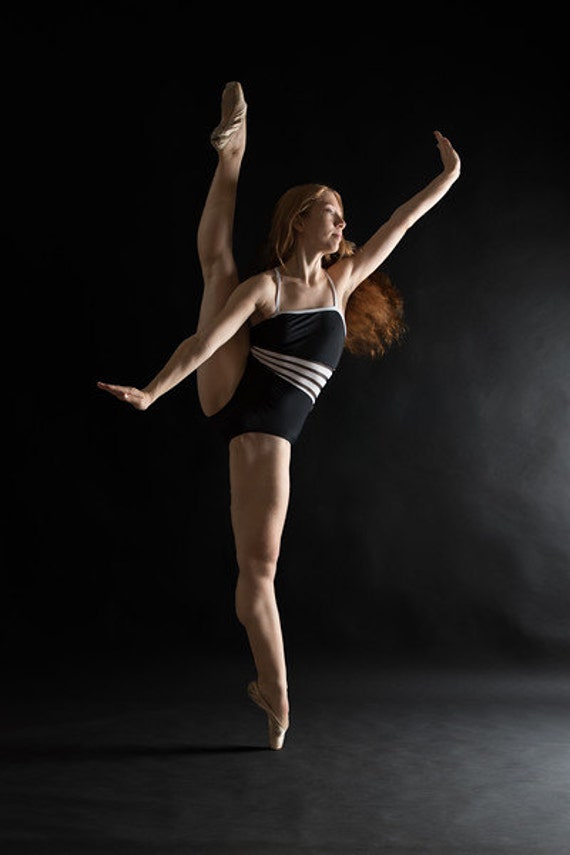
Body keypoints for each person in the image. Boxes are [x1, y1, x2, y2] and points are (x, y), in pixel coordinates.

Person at [97, 81, 461, 750]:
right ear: (300, 220)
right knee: (218, 273)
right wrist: (152, 392)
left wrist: (449, 176)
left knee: (257, 572)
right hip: (236, 399)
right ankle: (231, 151)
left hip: (268, 431)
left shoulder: (340, 281)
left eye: (345, 217)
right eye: (332, 213)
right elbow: (204, 344)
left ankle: (271, 690)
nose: (344, 225)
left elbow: (400, 224)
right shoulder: (265, 287)